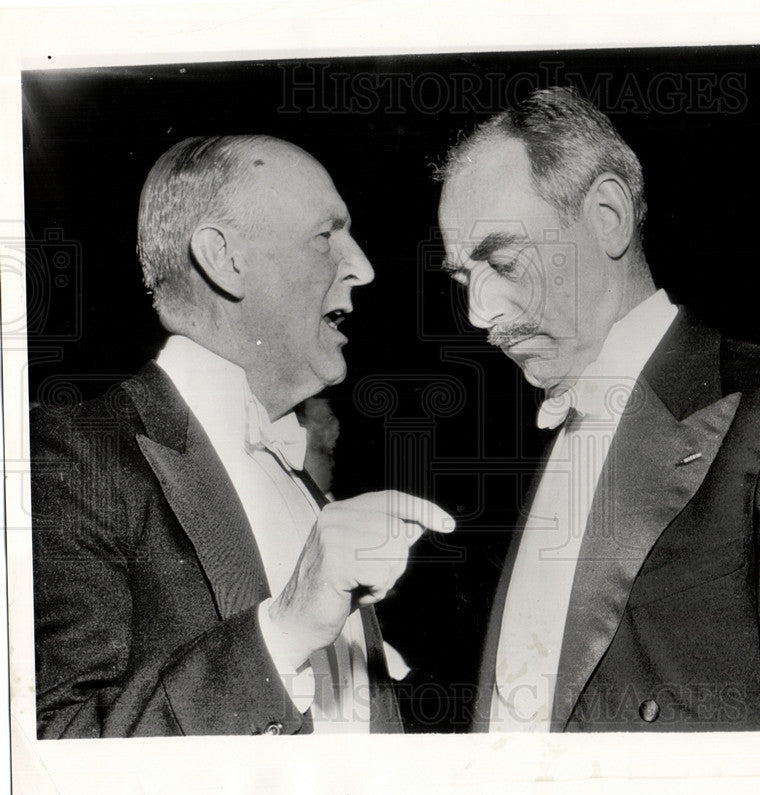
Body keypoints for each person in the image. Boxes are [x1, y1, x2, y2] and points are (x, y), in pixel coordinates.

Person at [31, 135, 453, 737]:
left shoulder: (300, 478)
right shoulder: (72, 455)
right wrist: (282, 631)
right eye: (327, 235)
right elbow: (54, 757)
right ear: (224, 258)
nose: (362, 266)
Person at [436, 87, 760, 732]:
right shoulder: (549, 424)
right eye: (460, 278)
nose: (480, 314)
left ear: (609, 215)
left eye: (502, 261)